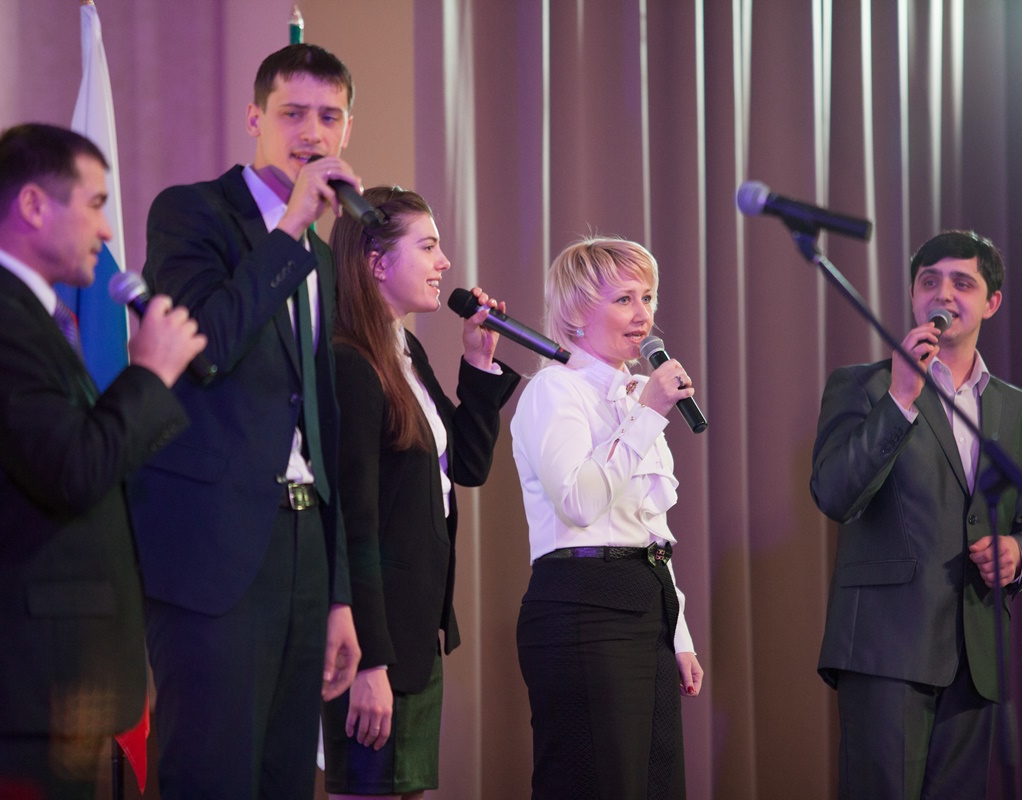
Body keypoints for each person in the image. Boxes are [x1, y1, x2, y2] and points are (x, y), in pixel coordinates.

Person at [125, 44, 362, 798]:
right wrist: (289, 228)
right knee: (210, 772)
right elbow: (205, 348)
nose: (312, 133)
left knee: (285, 775)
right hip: (212, 551)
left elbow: (321, 427)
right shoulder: (192, 212)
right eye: (293, 114)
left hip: (302, 548)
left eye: (329, 117)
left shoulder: (318, 254)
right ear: (255, 119)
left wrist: (339, 592)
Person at [0, 123, 205, 798]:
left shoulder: (17, 311)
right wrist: (149, 374)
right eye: (94, 204)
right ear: (34, 205)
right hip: (17, 684)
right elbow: (71, 470)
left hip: (46, 686)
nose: (108, 230)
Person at [810, 230, 1022, 798]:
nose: (943, 294)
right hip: (885, 647)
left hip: (977, 652)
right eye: (929, 281)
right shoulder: (863, 385)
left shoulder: (1021, 410)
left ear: (991, 303)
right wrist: (900, 400)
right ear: (912, 295)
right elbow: (834, 494)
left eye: (962, 283)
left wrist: (1018, 554)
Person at [320, 187, 520, 798]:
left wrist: (478, 363)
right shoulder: (350, 362)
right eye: (428, 246)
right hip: (376, 644)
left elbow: (467, 465)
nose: (444, 263)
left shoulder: (403, 349)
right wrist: (369, 662)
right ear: (377, 262)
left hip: (414, 633)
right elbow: (353, 524)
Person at [510, 236, 705, 799]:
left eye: (648, 297)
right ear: (576, 312)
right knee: (596, 782)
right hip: (583, 607)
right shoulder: (555, 390)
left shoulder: (636, 396)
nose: (643, 314)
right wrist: (648, 415)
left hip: (646, 604)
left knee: (655, 785)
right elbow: (578, 500)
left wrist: (679, 633)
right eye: (624, 299)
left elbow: (652, 526)